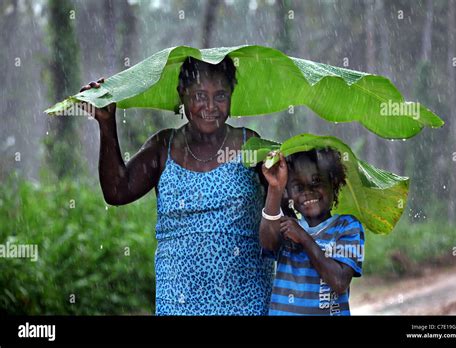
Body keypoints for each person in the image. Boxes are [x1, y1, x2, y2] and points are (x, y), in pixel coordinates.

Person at [80, 56, 273, 315]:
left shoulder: (249, 145)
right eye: (200, 95)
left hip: (246, 301)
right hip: (178, 302)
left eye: (220, 95)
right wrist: (106, 124)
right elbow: (117, 191)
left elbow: (280, 210)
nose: (210, 106)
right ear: (182, 95)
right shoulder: (163, 147)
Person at [259, 148, 364, 315]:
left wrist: (303, 237)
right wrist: (275, 187)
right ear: (289, 193)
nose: (307, 191)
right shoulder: (287, 226)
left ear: (333, 182)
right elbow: (268, 242)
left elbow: (339, 281)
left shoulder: (347, 226)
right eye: (298, 186)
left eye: (316, 181)